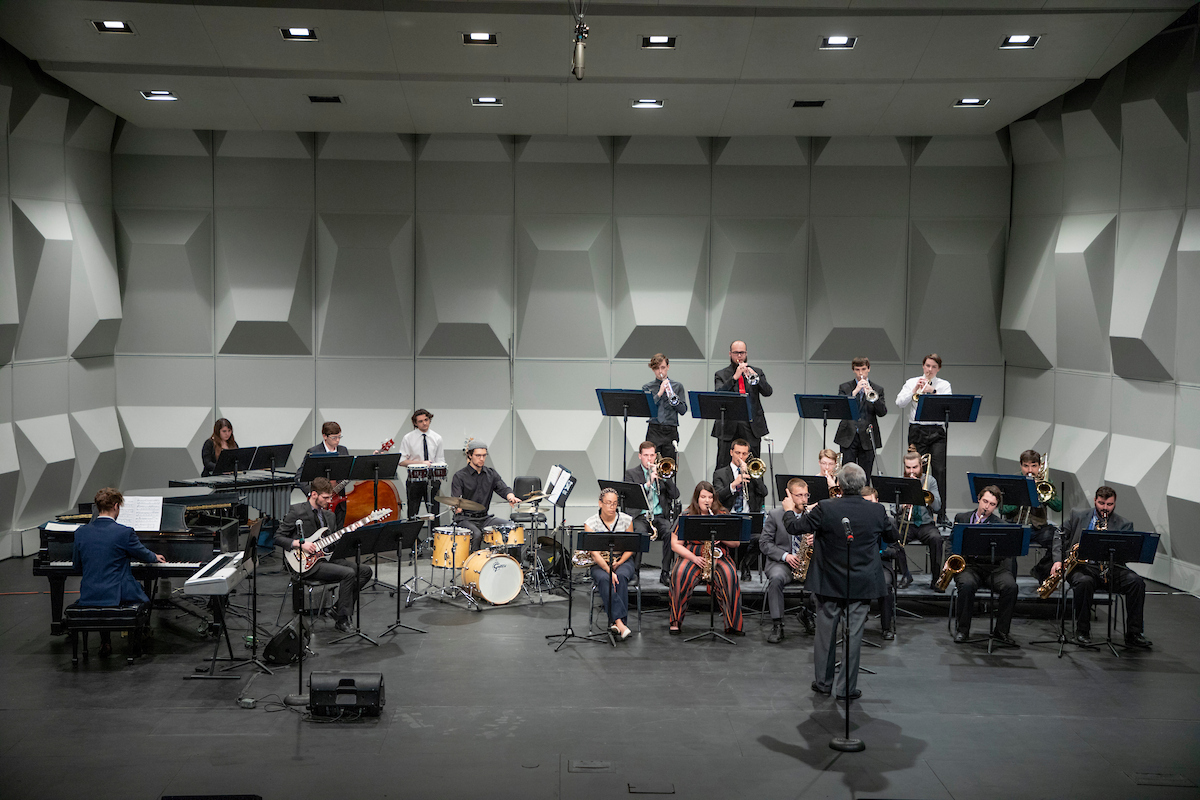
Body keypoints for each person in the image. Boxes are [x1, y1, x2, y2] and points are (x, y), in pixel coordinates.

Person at [784, 463, 894, 701]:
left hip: (829, 581)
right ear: (863, 485)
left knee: (825, 635)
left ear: (839, 485)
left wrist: (788, 509)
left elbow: (794, 527)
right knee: (854, 636)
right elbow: (892, 536)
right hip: (862, 582)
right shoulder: (876, 511)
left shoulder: (825, 507)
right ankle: (847, 688)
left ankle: (824, 683)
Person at [1051, 486, 1151, 649]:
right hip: (1082, 567)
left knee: (1136, 583)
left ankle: (1134, 633)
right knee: (1084, 583)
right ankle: (1082, 631)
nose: (1105, 508)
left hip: (1111, 568)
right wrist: (1057, 561)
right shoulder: (1078, 515)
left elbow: (1126, 555)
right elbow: (1059, 534)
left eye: (1109, 504)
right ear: (1095, 501)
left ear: (1115, 503)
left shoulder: (1124, 524)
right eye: (1101, 503)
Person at [72, 487, 166, 657]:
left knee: (104, 598)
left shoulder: (81, 532)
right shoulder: (124, 532)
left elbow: (76, 567)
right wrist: (154, 557)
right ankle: (136, 645)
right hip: (117, 592)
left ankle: (105, 642)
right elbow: (142, 553)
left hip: (89, 593)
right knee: (145, 601)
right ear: (116, 506)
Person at [275, 477, 373, 634]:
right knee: (348, 574)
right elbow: (278, 538)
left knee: (365, 571)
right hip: (306, 563)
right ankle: (342, 619)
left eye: (330, 497)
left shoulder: (330, 516)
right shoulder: (297, 511)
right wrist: (299, 543)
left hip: (326, 558)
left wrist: (347, 536)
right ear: (314, 494)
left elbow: (333, 543)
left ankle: (336, 608)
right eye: (325, 498)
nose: (329, 501)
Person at [668, 481, 743, 636]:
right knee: (680, 573)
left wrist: (721, 537)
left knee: (729, 574)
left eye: (710, 497)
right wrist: (693, 558)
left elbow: (736, 543)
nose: (707, 501)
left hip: (718, 553)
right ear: (697, 498)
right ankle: (675, 620)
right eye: (703, 497)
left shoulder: (722, 514)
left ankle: (732, 624)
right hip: (692, 554)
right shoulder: (687, 515)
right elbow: (675, 545)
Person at [950, 485, 1018, 646]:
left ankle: (1001, 631)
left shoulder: (1001, 524)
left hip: (993, 568)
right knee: (966, 585)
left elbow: (1006, 553)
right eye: (985, 501)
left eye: (992, 504)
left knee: (1011, 587)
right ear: (979, 499)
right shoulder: (962, 518)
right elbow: (951, 542)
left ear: (996, 507)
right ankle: (962, 630)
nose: (987, 507)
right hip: (969, 566)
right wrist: (949, 561)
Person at [896, 353, 951, 523]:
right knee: (916, 472)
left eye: (934, 367)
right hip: (917, 430)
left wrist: (932, 391)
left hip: (936, 431)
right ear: (923, 366)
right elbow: (900, 402)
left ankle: (941, 514)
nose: (930, 369)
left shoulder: (944, 385)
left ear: (938, 369)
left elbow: (949, 404)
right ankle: (915, 513)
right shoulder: (912, 382)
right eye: (927, 366)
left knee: (940, 471)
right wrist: (914, 391)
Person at [759, 477, 814, 643]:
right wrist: (786, 556)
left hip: (807, 563)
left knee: (825, 578)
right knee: (776, 579)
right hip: (781, 563)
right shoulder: (776, 515)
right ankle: (778, 624)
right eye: (799, 495)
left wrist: (817, 541)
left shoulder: (812, 516)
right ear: (789, 496)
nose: (803, 500)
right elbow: (764, 543)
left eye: (806, 495)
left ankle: (807, 613)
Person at [1000, 449, 1062, 583]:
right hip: (1015, 526)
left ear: (1040, 466)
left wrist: (1044, 495)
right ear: (1021, 466)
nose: (1030, 470)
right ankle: (1010, 583)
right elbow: (1004, 509)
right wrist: (1022, 494)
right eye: (1026, 466)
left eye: (1034, 466)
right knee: (1007, 546)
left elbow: (1058, 507)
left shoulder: (1046, 481)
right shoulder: (1014, 481)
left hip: (1038, 528)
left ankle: (1041, 571)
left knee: (1059, 540)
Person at [624, 441, 680, 587]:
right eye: (646, 455)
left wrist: (666, 480)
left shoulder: (663, 472)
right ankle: (635, 572)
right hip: (640, 516)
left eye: (651, 455)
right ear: (640, 456)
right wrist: (648, 483)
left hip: (659, 516)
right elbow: (629, 497)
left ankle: (665, 573)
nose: (649, 459)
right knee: (640, 534)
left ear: (656, 456)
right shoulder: (631, 474)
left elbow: (675, 495)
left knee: (670, 532)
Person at [584, 488, 637, 641]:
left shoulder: (627, 520)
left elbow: (631, 547)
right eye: (608, 503)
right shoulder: (591, 523)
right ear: (600, 503)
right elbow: (594, 553)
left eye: (614, 504)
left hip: (623, 560)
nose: (612, 507)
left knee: (620, 576)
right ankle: (620, 623)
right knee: (605, 579)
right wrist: (608, 569)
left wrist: (619, 562)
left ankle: (616, 622)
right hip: (600, 562)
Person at [711, 340, 772, 470]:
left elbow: (768, 392)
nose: (739, 356)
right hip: (729, 426)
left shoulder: (757, 372)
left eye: (742, 353)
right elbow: (719, 393)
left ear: (746, 353)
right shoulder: (721, 374)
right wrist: (734, 377)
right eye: (736, 353)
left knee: (753, 465)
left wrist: (757, 378)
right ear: (730, 354)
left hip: (751, 426)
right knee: (723, 465)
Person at [713, 438, 768, 581]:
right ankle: (727, 568)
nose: (741, 457)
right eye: (738, 453)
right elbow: (717, 497)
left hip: (748, 517)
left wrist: (753, 476)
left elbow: (764, 492)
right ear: (731, 452)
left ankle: (745, 565)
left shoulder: (754, 471)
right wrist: (733, 484)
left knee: (761, 538)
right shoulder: (720, 473)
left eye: (744, 454)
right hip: (728, 517)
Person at [449, 441, 519, 551]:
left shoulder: (491, 474)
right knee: (476, 535)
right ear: (470, 455)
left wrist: (510, 496)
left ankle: (516, 564)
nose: (481, 458)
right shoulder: (459, 476)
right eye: (478, 455)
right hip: (465, 519)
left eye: (484, 455)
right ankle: (473, 565)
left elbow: (503, 488)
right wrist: (457, 507)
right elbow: (455, 498)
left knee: (512, 528)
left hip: (485, 518)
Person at [894, 446, 943, 590]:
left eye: (914, 467)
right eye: (908, 468)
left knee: (937, 539)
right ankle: (905, 574)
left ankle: (936, 579)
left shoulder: (930, 481)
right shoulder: (900, 481)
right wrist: (902, 506)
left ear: (921, 465)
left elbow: (938, 506)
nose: (911, 471)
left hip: (925, 524)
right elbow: (893, 509)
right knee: (894, 539)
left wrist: (923, 492)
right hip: (906, 522)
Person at [834, 357, 886, 479]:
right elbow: (840, 409)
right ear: (853, 370)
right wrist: (855, 392)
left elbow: (882, 412)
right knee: (847, 474)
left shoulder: (878, 389)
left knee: (865, 475)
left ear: (869, 369)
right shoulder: (845, 387)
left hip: (868, 437)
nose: (861, 373)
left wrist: (873, 395)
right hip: (848, 436)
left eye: (863, 369)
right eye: (857, 370)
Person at [863, 485, 899, 641]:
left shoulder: (888, 520)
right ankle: (856, 620)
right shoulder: (857, 520)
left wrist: (878, 553)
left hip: (881, 564)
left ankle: (886, 627)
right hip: (860, 564)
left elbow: (895, 550)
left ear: (877, 502)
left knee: (885, 585)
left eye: (871, 503)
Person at [301, 421, 351, 529]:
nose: (337, 440)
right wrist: (311, 493)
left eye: (339, 437)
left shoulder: (343, 450)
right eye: (334, 437)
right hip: (320, 503)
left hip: (339, 503)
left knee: (338, 534)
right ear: (324, 436)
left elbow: (348, 473)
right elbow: (299, 476)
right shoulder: (313, 452)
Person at [398, 409, 445, 519]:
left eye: (426, 420)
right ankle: (413, 536)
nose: (424, 423)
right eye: (420, 421)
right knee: (413, 513)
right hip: (415, 479)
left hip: (432, 478)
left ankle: (434, 535)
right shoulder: (408, 438)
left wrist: (439, 477)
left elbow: (440, 459)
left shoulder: (437, 438)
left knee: (434, 513)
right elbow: (401, 461)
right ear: (415, 423)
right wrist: (421, 463)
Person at [642, 353, 687, 463]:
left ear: (668, 367)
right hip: (654, 429)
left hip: (671, 430)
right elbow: (646, 408)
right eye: (657, 368)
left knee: (669, 465)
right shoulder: (647, 387)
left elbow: (683, 410)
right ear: (653, 370)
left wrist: (672, 395)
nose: (660, 371)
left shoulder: (677, 386)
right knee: (652, 465)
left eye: (663, 367)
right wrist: (660, 392)